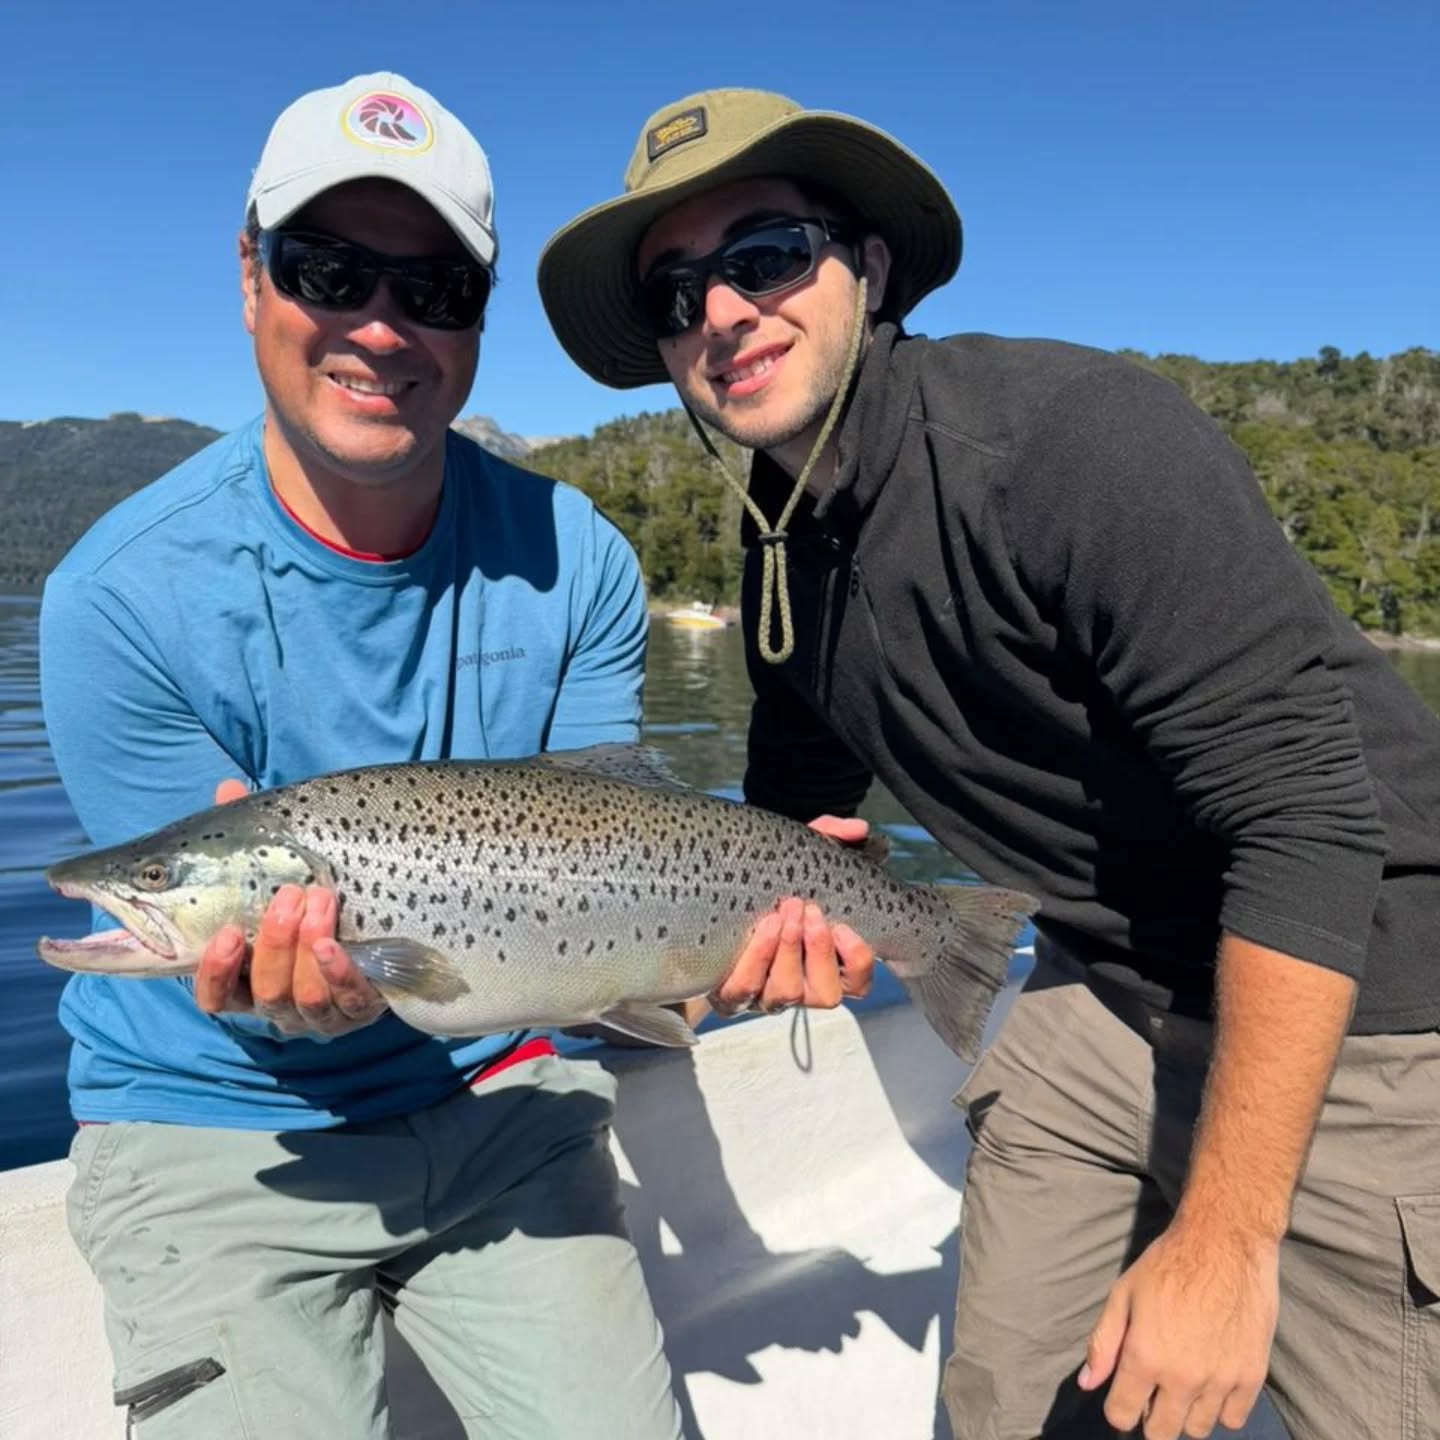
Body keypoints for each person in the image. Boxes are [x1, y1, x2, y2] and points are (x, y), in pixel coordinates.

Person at [538, 88, 1440, 1440]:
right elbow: (793, 828)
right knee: (1003, 1408)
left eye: (766, 254)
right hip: (1107, 973)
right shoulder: (784, 547)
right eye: (676, 292)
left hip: (1363, 987)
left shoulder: (1073, 440)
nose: (719, 311)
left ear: (870, 267)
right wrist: (708, 953)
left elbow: (1311, 821)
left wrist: (1228, 1244)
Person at [40, 73, 682, 1440]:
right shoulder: (119, 597)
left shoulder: (585, 563)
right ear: (251, 271)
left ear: (481, 314)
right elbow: (225, 957)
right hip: (212, 1127)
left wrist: (716, 947)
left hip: (503, 1098)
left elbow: (609, 854)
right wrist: (280, 986)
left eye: (435, 288)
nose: (382, 325)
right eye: (329, 267)